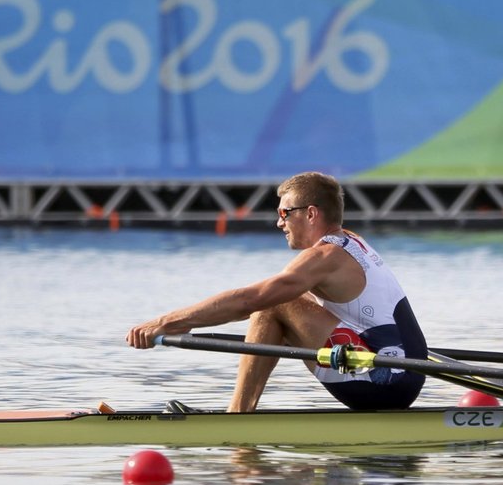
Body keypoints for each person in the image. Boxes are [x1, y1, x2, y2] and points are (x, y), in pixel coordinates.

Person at [126, 171, 427, 412]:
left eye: (285, 212)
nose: (279, 222)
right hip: (398, 371)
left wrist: (169, 321)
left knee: (271, 305)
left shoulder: (326, 257)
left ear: (310, 213)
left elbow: (249, 300)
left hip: (386, 379)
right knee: (279, 308)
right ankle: (240, 413)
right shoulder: (351, 241)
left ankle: (237, 417)